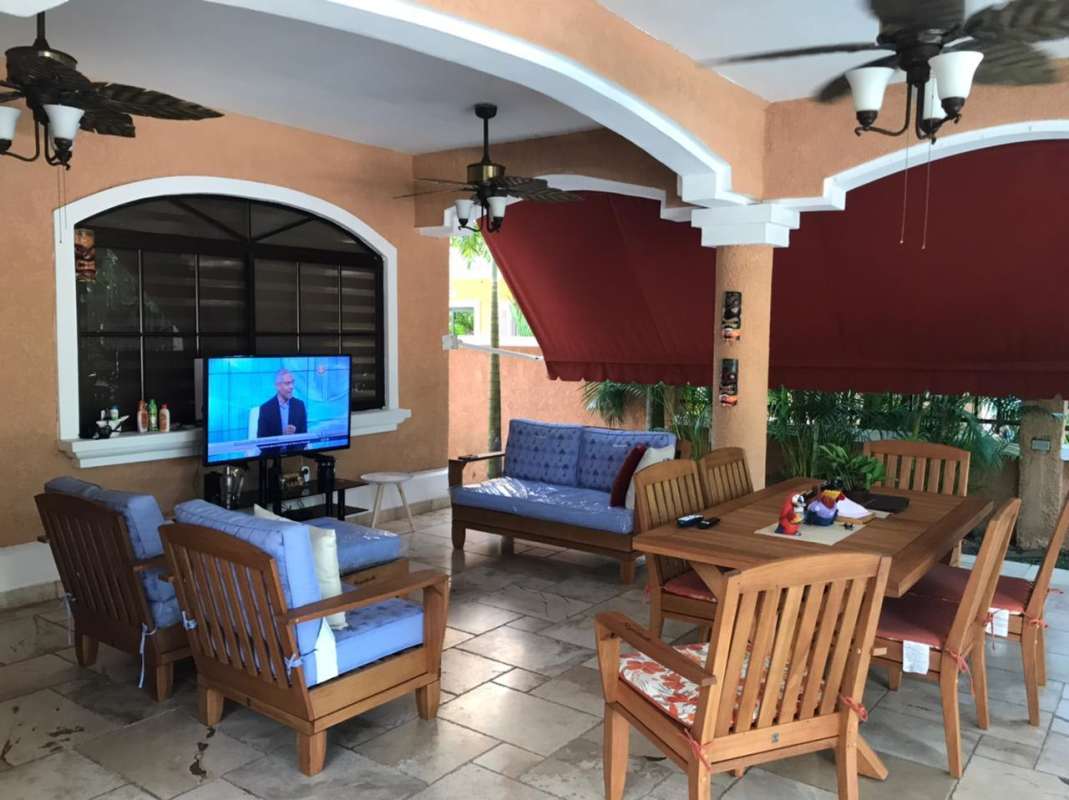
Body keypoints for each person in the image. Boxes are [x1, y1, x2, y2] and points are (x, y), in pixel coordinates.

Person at [257, 367, 307, 437]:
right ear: (278, 386)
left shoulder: (300, 405)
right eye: (287, 383)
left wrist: (294, 437)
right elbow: (261, 441)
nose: (291, 387)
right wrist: (282, 435)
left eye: (292, 382)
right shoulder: (265, 409)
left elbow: (304, 437)